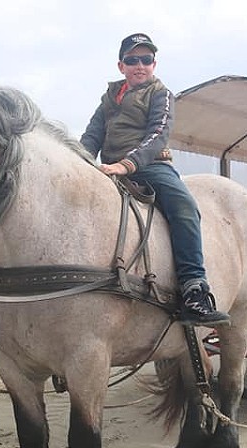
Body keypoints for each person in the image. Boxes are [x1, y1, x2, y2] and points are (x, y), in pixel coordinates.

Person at [80, 33, 230, 327]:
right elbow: (91, 136)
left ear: (154, 64)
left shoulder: (160, 94)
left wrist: (127, 164)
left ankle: (193, 289)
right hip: (110, 168)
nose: (140, 65)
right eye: (133, 60)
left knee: (185, 207)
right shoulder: (109, 98)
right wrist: (80, 163)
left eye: (146, 59)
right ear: (121, 65)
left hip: (150, 166)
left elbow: (156, 136)